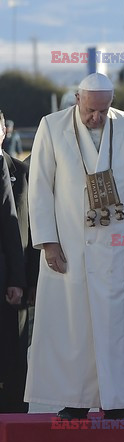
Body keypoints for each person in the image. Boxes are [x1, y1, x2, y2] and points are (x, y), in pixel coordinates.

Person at [25, 72, 124, 421]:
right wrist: (48, 242)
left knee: (121, 326)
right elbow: (39, 188)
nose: (96, 118)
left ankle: (122, 399)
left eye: (103, 111)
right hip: (69, 247)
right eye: (89, 111)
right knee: (74, 327)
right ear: (77, 100)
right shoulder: (51, 127)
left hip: (118, 248)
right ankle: (75, 400)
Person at [0, 114, 40, 412]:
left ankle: (13, 415)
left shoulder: (21, 172)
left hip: (13, 279)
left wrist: (26, 279)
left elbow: (23, 229)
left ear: (5, 131)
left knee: (13, 354)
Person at [0, 112, 26, 412]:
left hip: (5, 277)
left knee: (10, 356)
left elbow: (12, 225)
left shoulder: (10, 169)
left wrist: (18, 280)